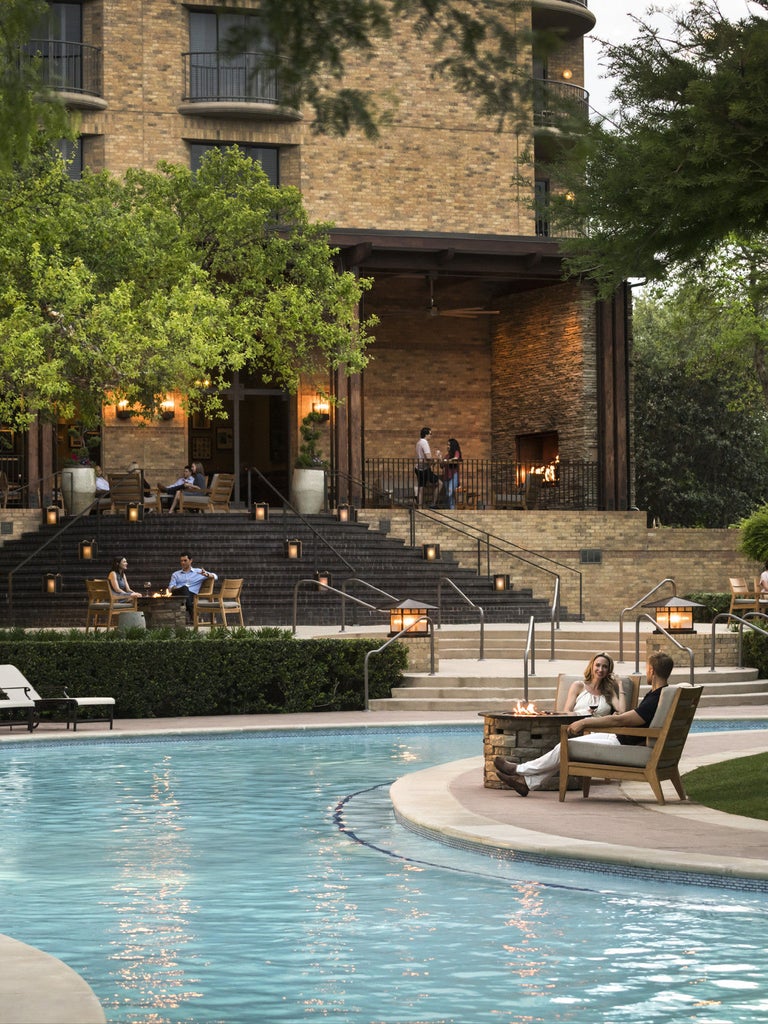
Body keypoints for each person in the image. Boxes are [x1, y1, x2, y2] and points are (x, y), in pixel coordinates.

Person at [494, 651, 675, 797]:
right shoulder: (663, 695)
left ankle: (519, 769)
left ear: (651, 671)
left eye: (646, 669)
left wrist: (585, 722)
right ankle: (526, 783)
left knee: (566, 746)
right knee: (565, 747)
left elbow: (620, 718)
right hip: (623, 738)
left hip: (624, 743)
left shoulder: (655, 698)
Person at [562, 652, 625, 717]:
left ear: (608, 671)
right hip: (579, 724)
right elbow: (567, 712)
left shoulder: (609, 690)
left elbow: (622, 711)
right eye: (597, 665)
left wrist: (620, 684)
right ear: (591, 666)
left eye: (605, 666)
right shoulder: (578, 686)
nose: (600, 670)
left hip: (600, 726)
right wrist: (584, 713)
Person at [168, 551, 218, 620]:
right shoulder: (175, 574)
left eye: (185, 560)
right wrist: (175, 588)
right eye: (181, 561)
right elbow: (170, 588)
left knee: (185, 588)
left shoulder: (198, 572)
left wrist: (207, 574)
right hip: (177, 594)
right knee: (184, 588)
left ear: (191, 560)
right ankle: (194, 616)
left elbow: (215, 576)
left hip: (192, 595)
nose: (183, 563)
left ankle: (192, 616)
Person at [414, 426, 442, 507]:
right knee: (440, 483)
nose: (431, 435)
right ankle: (433, 503)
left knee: (421, 486)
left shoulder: (418, 442)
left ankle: (420, 506)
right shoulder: (424, 442)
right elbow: (428, 457)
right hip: (424, 468)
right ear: (426, 434)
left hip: (418, 467)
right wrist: (437, 458)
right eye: (430, 434)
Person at [442, 437, 462, 510]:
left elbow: (456, 458)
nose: (447, 446)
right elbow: (442, 466)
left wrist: (447, 461)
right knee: (449, 494)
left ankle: (452, 508)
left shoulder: (456, 452)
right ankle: (452, 509)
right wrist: (441, 459)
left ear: (452, 446)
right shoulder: (447, 455)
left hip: (454, 476)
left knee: (449, 493)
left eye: (449, 445)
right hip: (446, 477)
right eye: (447, 445)